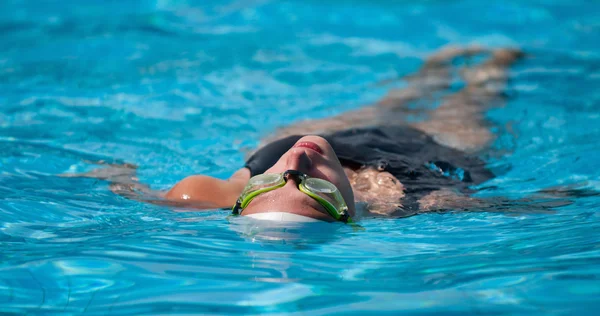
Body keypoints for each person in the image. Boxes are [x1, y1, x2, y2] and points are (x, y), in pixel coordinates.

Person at [71, 46, 570, 223]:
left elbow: (142, 198)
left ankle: (433, 67)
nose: (295, 166)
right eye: (311, 188)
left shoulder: (206, 192)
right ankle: (495, 64)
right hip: (421, 148)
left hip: (327, 133)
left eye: (269, 184)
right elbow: (519, 208)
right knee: (474, 101)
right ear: (349, 212)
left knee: (392, 97)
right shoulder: (421, 203)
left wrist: (117, 177)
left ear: (244, 198)